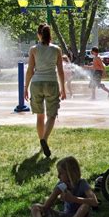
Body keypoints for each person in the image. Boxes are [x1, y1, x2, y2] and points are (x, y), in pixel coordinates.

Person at [25, 24, 66, 158]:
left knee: (40, 115)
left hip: (36, 83)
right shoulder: (57, 49)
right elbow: (60, 71)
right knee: (52, 115)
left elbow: (30, 70)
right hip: (51, 83)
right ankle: (45, 139)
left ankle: (41, 142)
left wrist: (25, 87)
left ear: (39, 34)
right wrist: (63, 88)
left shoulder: (33, 49)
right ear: (50, 35)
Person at [31, 156, 98, 217]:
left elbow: (94, 202)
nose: (58, 176)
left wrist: (73, 198)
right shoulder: (62, 185)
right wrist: (42, 209)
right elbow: (47, 205)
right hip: (65, 216)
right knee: (35, 207)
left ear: (70, 173)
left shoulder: (82, 183)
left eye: (61, 173)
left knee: (85, 206)